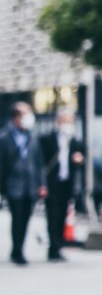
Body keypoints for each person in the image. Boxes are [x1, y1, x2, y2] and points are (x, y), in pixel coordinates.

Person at [0, 103, 46, 266]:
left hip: (31, 185)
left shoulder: (32, 137)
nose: (29, 118)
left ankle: (18, 248)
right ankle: (17, 250)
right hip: (13, 185)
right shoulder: (4, 138)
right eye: (26, 114)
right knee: (17, 218)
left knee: (26, 218)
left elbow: (39, 163)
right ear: (16, 117)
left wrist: (42, 185)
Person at [39, 108, 85, 262]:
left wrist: (79, 159)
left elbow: (82, 159)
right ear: (58, 122)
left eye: (71, 121)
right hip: (52, 184)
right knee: (52, 215)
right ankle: (53, 247)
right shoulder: (48, 139)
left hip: (66, 183)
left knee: (62, 216)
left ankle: (58, 246)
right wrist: (41, 185)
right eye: (66, 120)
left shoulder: (74, 141)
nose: (68, 124)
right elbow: (41, 163)